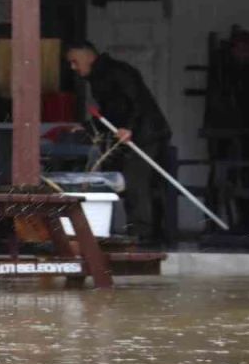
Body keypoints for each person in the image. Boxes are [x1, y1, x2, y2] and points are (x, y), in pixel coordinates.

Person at [65, 41, 172, 245]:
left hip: (146, 134)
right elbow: (111, 113)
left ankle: (142, 235)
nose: (72, 67)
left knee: (136, 181)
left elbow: (138, 101)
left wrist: (130, 128)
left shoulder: (118, 71)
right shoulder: (97, 78)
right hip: (131, 134)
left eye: (74, 61)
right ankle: (144, 232)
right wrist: (87, 126)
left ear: (88, 56)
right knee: (129, 181)